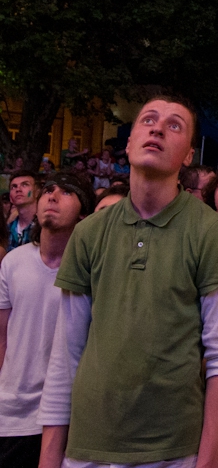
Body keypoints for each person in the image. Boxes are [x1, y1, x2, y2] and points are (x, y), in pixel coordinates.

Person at [38, 95, 218, 468]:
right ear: (130, 142)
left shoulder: (212, 231)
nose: (158, 128)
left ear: (187, 156)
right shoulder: (88, 232)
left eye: (174, 124)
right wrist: (50, 457)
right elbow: (65, 355)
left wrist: (209, 462)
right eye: (148, 120)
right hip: (86, 449)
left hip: (172, 450)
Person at [0, 172, 94, 468]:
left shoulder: (89, 273)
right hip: (10, 412)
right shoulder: (13, 262)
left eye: (66, 192)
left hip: (63, 414)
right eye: (48, 190)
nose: (52, 196)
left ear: (83, 214)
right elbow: (2, 337)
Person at [6, 170, 39, 252]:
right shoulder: (7, 229)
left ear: (37, 192)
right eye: (14, 186)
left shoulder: (43, 227)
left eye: (25, 185)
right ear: (10, 197)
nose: (18, 189)